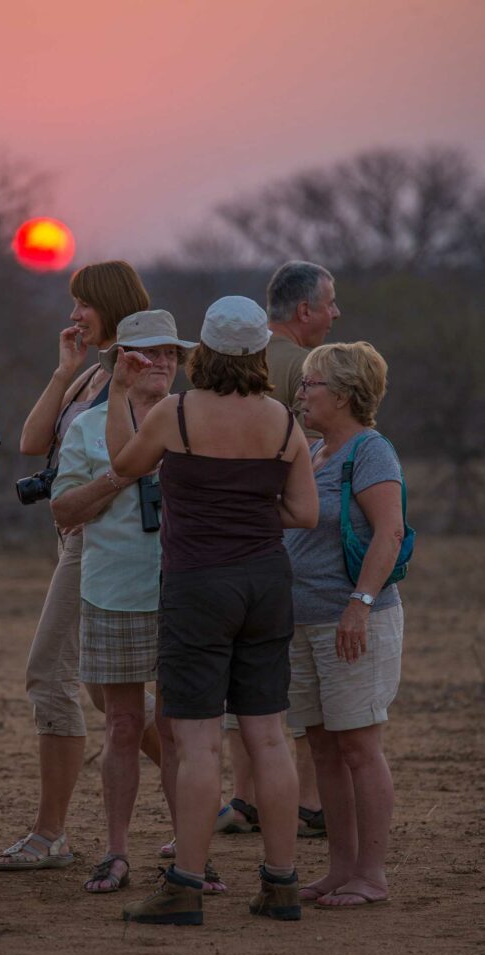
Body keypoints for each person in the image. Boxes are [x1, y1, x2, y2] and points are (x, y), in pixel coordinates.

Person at [106, 296, 318, 926]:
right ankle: (281, 885)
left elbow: (123, 466)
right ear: (257, 354)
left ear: (205, 352)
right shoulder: (282, 421)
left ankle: (185, 887)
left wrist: (121, 394)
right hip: (265, 582)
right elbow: (304, 512)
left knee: (198, 742)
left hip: (199, 586)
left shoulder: (178, 413)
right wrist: (249, 515)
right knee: (269, 735)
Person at [0, 261, 159, 870]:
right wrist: (64, 370)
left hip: (100, 541)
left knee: (49, 675)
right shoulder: (91, 375)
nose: (73, 317)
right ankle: (199, 790)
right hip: (73, 540)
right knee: (107, 694)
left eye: (82, 306)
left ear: (109, 304)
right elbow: (33, 443)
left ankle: (50, 833)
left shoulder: (139, 374)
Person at [51, 310, 197, 893]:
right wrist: (119, 477)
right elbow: (62, 510)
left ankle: (190, 852)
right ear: (120, 361)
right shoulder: (88, 428)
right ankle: (115, 852)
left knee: (181, 727)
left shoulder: (194, 419)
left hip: (185, 590)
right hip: (113, 590)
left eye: (170, 353)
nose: (160, 362)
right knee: (122, 723)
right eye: (145, 352)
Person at [220, 261, 340, 838]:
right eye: (330, 303)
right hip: (292, 538)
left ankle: (244, 799)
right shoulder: (313, 370)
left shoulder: (229, 364)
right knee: (298, 684)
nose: (335, 314)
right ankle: (308, 805)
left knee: (246, 682)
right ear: (303, 311)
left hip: (230, 542)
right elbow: (323, 460)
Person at [284, 341, 405, 908]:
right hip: (302, 623)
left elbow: (390, 532)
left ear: (347, 394)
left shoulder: (370, 451)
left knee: (359, 745)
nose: (301, 392)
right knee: (323, 747)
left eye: (312, 384)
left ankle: (372, 875)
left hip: (352, 623)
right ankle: (339, 868)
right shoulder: (312, 452)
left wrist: (359, 603)